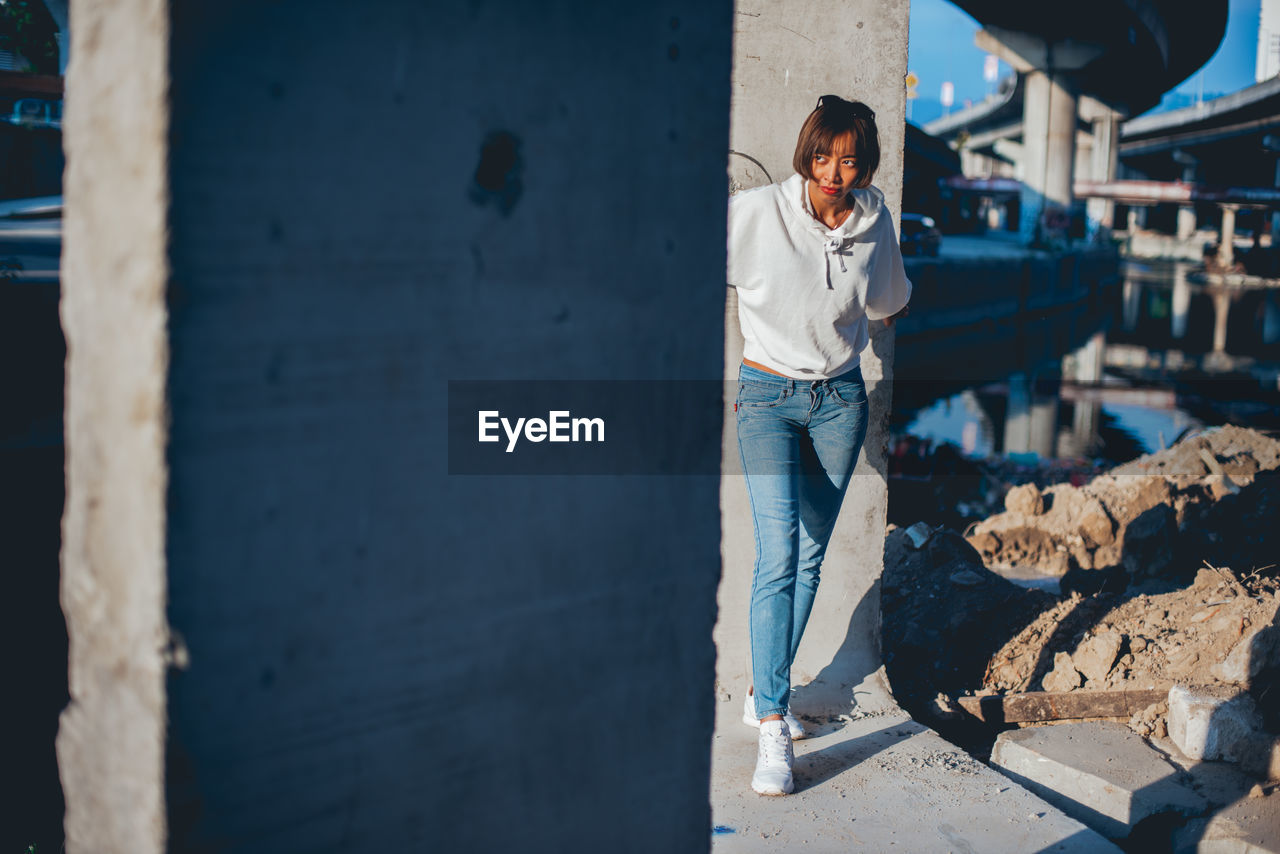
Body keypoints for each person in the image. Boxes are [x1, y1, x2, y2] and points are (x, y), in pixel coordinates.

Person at [727, 95, 912, 796]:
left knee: (808, 561)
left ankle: (759, 692)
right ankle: (773, 724)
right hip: (767, 397)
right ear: (808, 151)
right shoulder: (759, 214)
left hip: (839, 402)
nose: (836, 171)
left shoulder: (873, 218)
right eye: (825, 155)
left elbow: (887, 300)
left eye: (852, 159)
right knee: (778, 555)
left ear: (866, 164)